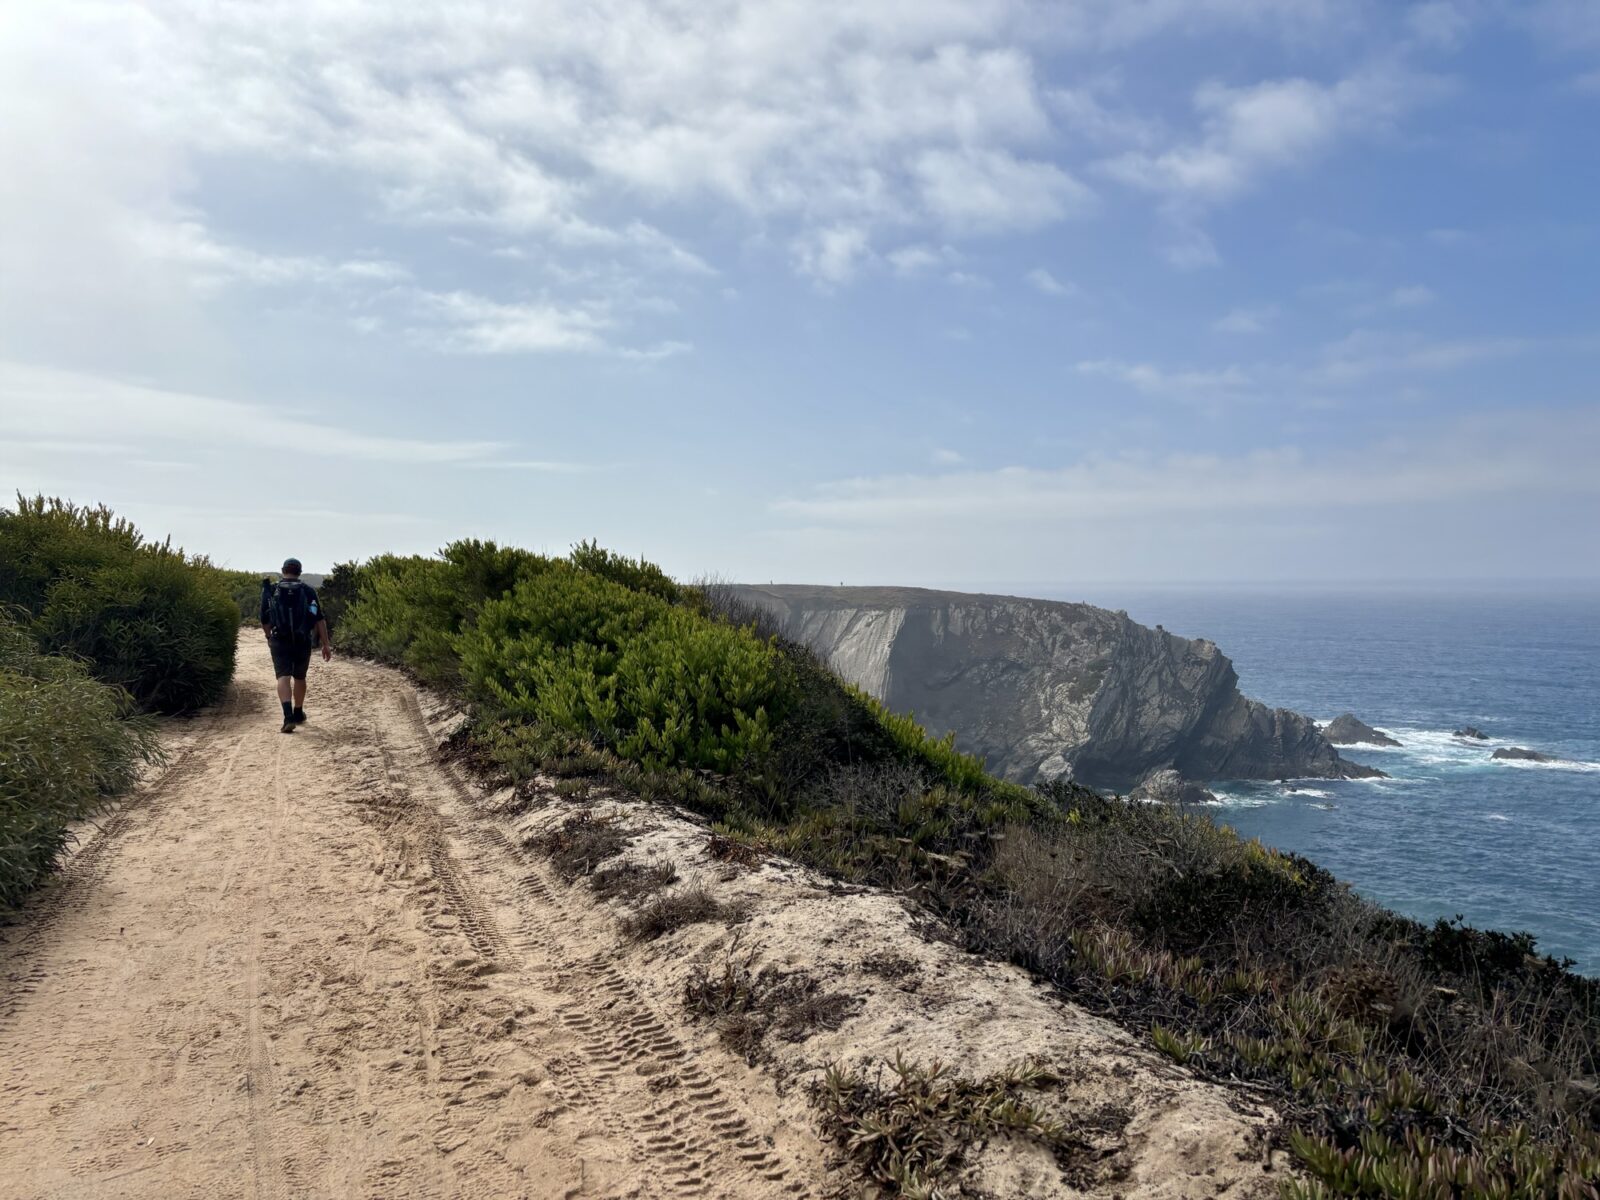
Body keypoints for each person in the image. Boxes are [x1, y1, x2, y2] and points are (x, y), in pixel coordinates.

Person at [260, 558, 332, 734]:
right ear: (299, 572)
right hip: (302, 639)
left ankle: (288, 717)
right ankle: (298, 712)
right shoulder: (308, 591)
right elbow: (319, 619)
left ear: (283, 570)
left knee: (283, 677)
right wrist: (326, 644)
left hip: (279, 639)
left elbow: (264, 618)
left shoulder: (272, 589)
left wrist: (269, 637)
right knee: (300, 677)